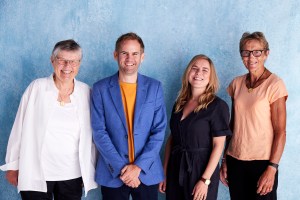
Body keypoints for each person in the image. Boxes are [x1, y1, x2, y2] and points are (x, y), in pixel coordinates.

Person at [0, 39, 97, 199]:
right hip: (36, 172)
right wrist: (13, 165)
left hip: (72, 174)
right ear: (52, 61)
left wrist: (88, 169)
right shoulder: (36, 88)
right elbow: (19, 128)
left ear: (79, 64)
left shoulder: (86, 92)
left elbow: (92, 137)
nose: (67, 67)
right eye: (62, 60)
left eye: (73, 62)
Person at [91, 32, 167, 200]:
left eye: (135, 53)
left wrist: (138, 167)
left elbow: (159, 131)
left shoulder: (154, 87)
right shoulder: (100, 89)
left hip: (146, 172)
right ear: (115, 55)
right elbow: (99, 132)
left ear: (142, 57)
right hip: (113, 173)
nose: (129, 58)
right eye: (124, 53)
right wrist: (122, 170)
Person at [220, 32, 288, 200]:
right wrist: (225, 158)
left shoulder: (275, 84)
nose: (251, 57)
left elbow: (281, 131)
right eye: (246, 52)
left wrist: (272, 168)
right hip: (235, 160)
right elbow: (233, 125)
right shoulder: (236, 84)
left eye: (257, 52)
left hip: (263, 163)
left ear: (266, 54)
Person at [159, 54, 232, 200]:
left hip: (201, 170)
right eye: (195, 68)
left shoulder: (217, 106)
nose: (199, 73)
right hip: (176, 168)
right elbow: (171, 140)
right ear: (188, 72)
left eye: (205, 70)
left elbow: (219, 146)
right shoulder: (179, 104)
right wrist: (164, 172)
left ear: (211, 77)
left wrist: (205, 180)